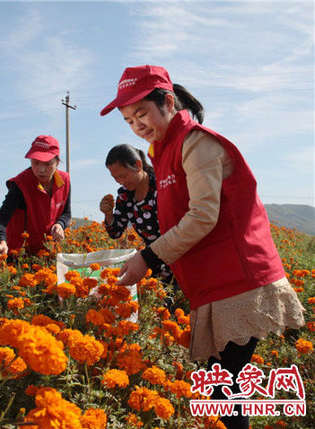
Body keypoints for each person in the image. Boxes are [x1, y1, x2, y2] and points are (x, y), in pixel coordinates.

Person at [100, 65, 305, 429]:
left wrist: (147, 257)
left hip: (240, 281)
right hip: (215, 283)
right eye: (129, 120)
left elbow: (203, 216)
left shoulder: (197, 143)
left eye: (142, 114)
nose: (137, 125)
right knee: (223, 390)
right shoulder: (165, 150)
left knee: (223, 392)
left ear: (167, 101)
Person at [99, 144, 172, 282]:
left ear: (138, 165)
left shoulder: (162, 185)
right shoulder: (125, 196)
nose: (120, 181)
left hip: (177, 255)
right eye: (115, 178)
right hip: (153, 262)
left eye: (123, 175)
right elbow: (116, 232)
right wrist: (108, 214)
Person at [0, 135, 71, 260]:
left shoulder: (64, 181)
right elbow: (1, 218)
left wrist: (60, 224)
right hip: (19, 255)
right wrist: (1, 241)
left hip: (48, 253)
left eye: (47, 163)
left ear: (57, 162)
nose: (41, 169)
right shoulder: (20, 184)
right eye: (35, 163)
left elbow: (66, 213)